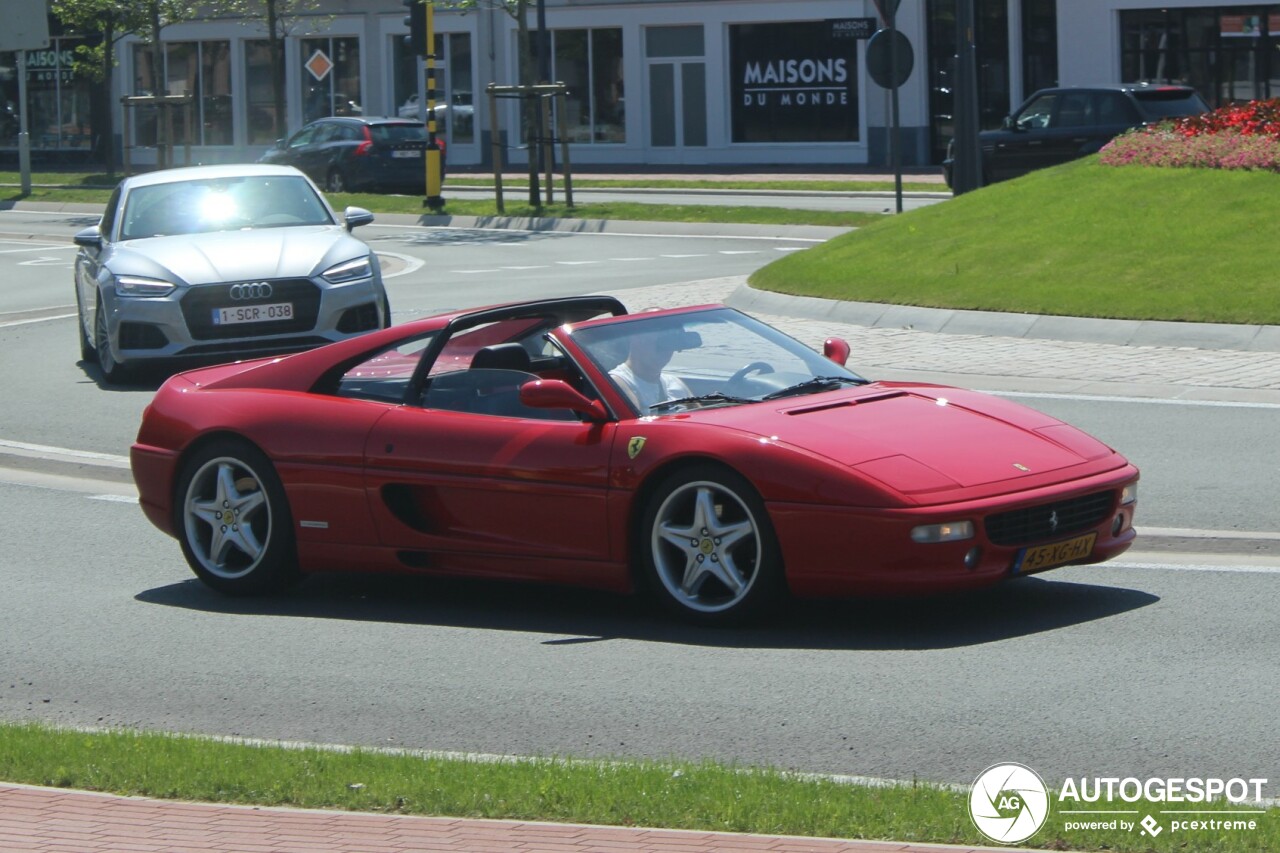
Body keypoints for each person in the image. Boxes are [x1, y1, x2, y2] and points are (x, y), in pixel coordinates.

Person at [609, 328, 693, 412]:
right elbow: (635, 422)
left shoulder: (674, 383)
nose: (666, 351)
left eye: (671, 344)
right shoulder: (618, 383)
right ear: (637, 340)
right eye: (661, 344)